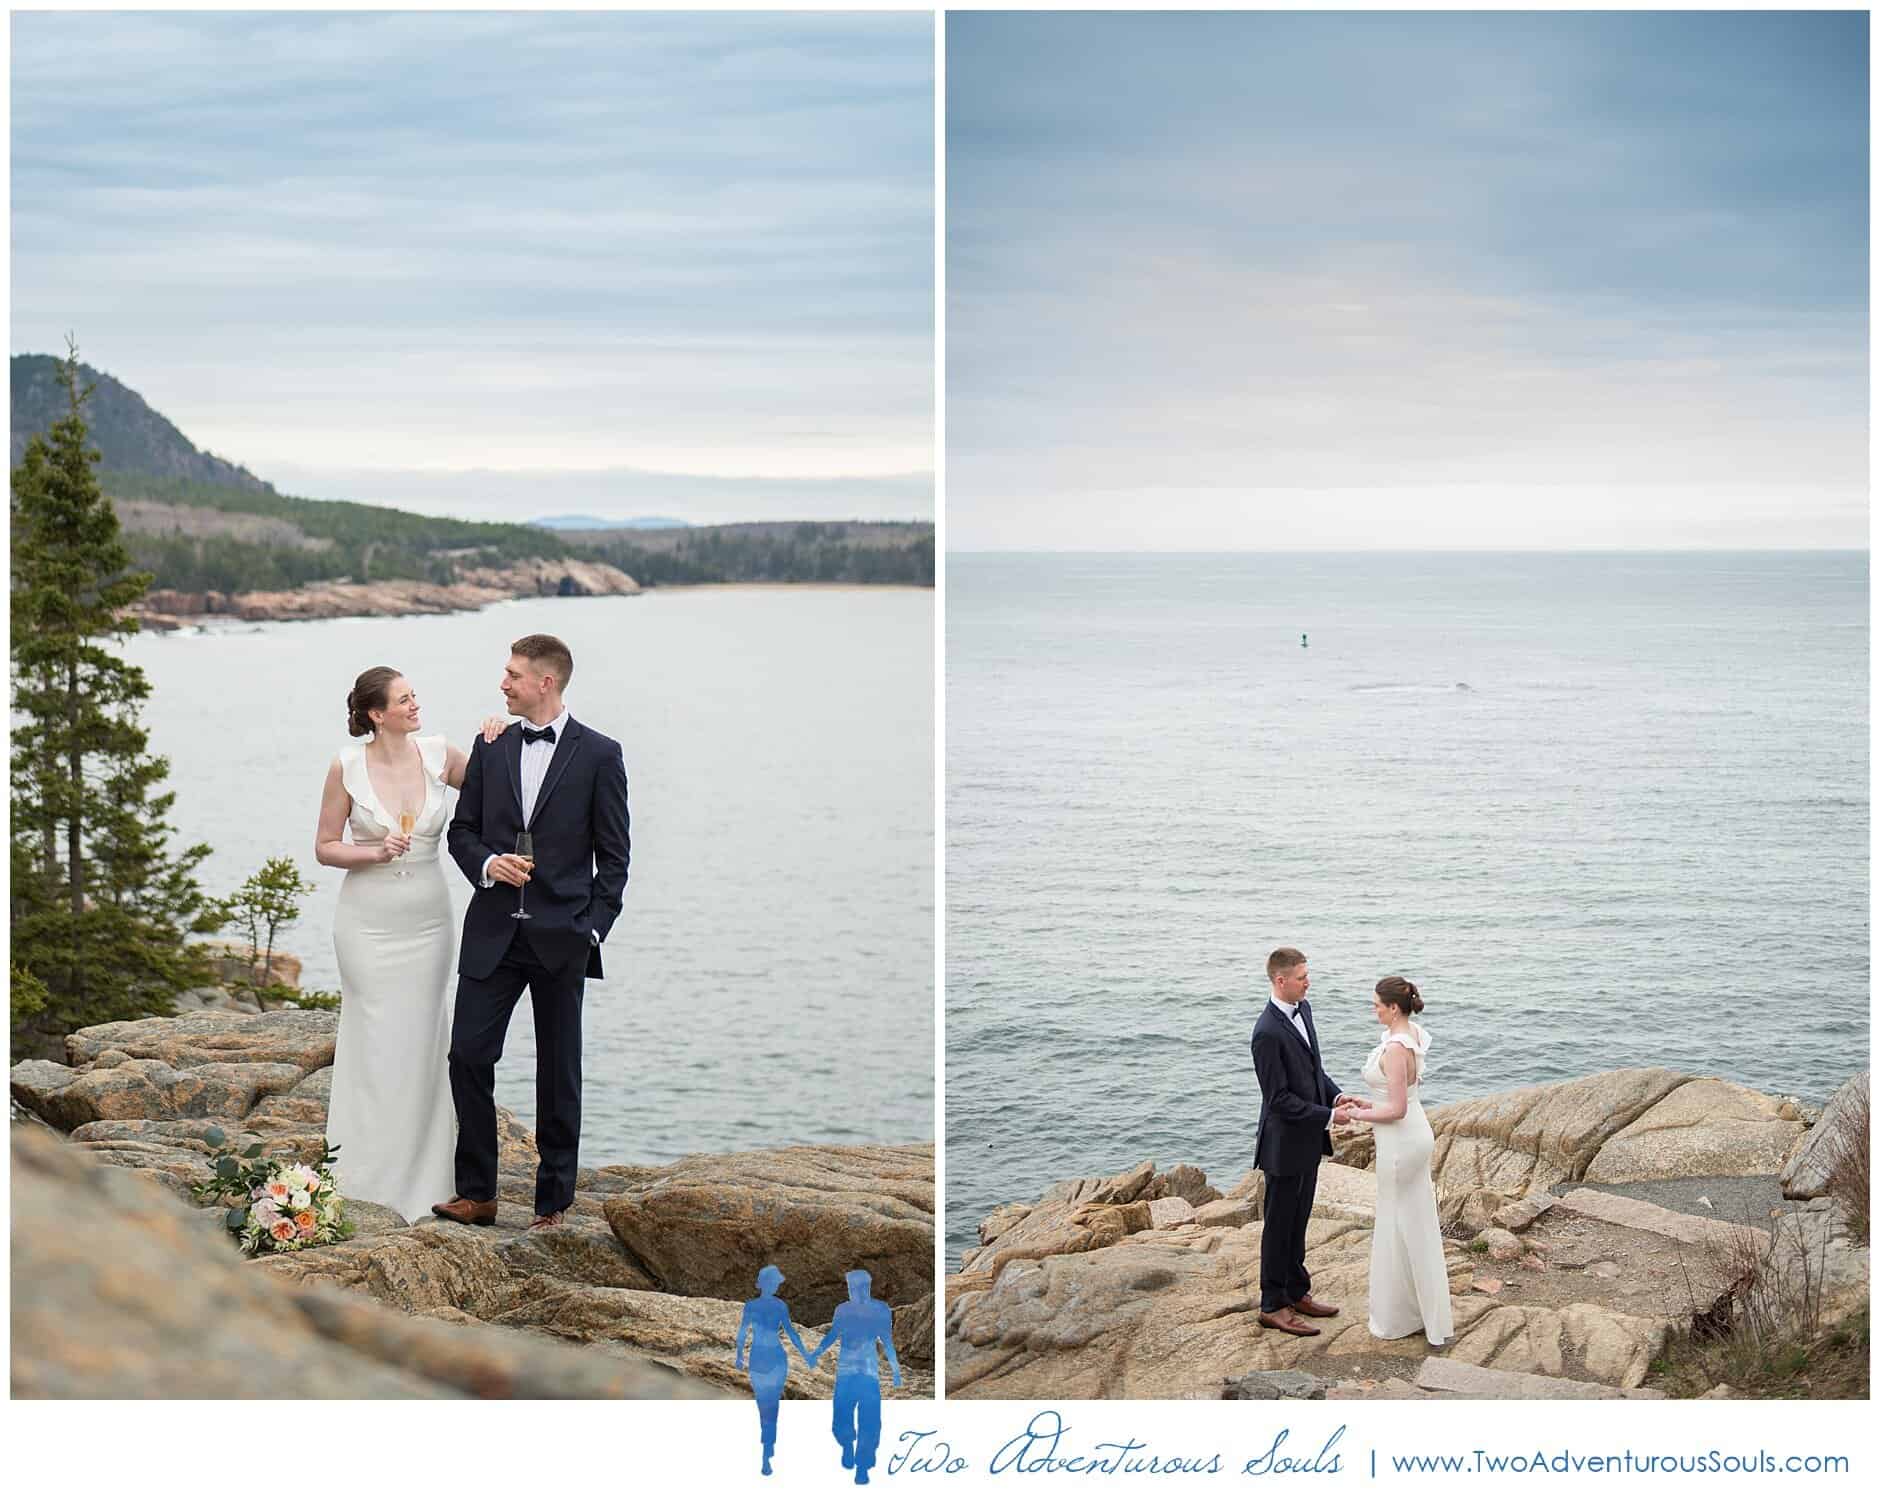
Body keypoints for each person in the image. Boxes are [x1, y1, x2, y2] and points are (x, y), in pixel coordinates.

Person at [433, 634, 631, 1231]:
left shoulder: (600, 754)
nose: (503, 683)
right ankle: (478, 1193)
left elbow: (614, 857)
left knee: (558, 1069)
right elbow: (462, 833)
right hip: (493, 929)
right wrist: (489, 866)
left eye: (513, 674)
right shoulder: (489, 747)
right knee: (467, 1054)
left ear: (546, 682)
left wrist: (592, 929)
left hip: (562, 936)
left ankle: (553, 1202)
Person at [315, 667, 504, 1221]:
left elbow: (499, 786)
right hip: (366, 921)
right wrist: (371, 852)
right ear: (376, 713)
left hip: (428, 920)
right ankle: (363, 1175)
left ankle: (430, 1177)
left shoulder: (439, 754)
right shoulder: (345, 766)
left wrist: (497, 734)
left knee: (425, 1034)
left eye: (415, 694)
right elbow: (325, 846)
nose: (415, 704)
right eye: (404, 699)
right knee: (373, 1036)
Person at [1340, 975, 1453, 1347]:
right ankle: (1424, 1313)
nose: (1373, 1010)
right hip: (1412, 1135)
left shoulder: (1395, 1048)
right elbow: (1395, 1097)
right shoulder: (1412, 1033)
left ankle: (1399, 1317)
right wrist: (1366, 1101)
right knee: (1415, 1224)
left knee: (1396, 1225)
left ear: (1392, 1008)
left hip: (1401, 1142)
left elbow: (1396, 1109)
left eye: (1376, 1005)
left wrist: (1358, 1116)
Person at [1248, 946, 1352, 1337]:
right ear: (1281, 980)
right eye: (1302, 976)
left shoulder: (1303, 1010)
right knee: (1278, 1227)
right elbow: (1278, 1099)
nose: (1308, 981)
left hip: (1307, 1141)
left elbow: (1313, 1072)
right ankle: (1272, 1304)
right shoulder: (1266, 1033)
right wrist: (1328, 1117)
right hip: (1282, 1145)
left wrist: (1336, 1096)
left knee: (1298, 1221)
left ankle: (1297, 1290)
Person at [805, 1269, 902, 1485]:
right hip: (848, 1370)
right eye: (848, 1288)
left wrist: (896, 1369)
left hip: (866, 1372)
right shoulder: (843, 1310)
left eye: (851, 1288)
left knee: (869, 1421)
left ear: (863, 1287)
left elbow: (887, 1341)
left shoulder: (880, 1310)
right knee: (842, 1417)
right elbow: (833, 1335)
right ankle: (847, 1446)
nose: (849, 1291)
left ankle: (863, 1466)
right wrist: (816, 1353)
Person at [734, 1265, 814, 1475]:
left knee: (772, 1404)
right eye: (772, 1282)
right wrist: (739, 1356)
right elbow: (743, 1332)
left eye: (775, 1283)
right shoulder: (757, 1306)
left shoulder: (777, 1305)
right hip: (764, 1356)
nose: (774, 1286)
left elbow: (790, 1332)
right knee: (764, 1404)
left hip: (773, 1357)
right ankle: (766, 1449)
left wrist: (805, 1354)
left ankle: (768, 1452)